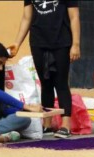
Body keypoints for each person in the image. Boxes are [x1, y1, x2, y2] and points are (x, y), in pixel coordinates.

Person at [8, 0, 80, 139]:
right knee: (45, 83)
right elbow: (27, 17)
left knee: (61, 83)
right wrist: (17, 43)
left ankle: (65, 125)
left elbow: (74, 16)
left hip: (62, 41)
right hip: (38, 42)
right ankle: (47, 124)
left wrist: (75, 44)